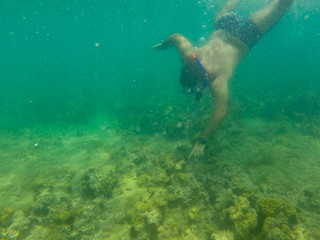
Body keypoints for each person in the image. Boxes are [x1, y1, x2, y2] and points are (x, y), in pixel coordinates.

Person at [153, 0, 294, 158]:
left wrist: (202, 141)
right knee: (226, 9)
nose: (200, 91)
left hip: (245, 37)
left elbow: (221, 112)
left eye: (199, 88)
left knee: (281, 6)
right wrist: (165, 44)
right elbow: (177, 38)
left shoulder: (217, 81)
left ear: (201, 82)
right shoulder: (190, 57)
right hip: (224, 26)